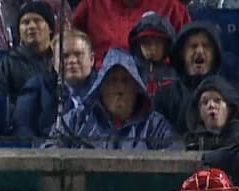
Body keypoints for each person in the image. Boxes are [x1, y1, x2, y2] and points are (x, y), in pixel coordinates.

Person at [46, 47, 174, 149]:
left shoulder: (155, 125)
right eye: (113, 80)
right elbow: (49, 151)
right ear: (101, 87)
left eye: (125, 81)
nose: (119, 89)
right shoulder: (75, 121)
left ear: (137, 88)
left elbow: (173, 156)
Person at [13, 27, 95, 141]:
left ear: (92, 59)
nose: (72, 61)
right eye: (64, 56)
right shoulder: (37, 86)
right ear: (53, 62)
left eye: (78, 54)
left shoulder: (105, 88)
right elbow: (22, 127)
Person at [0, 1, 56, 116]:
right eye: (25, 22)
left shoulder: (61, 60)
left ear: (50, 28)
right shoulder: (8, 63)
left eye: (37, 21)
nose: (31, 26)